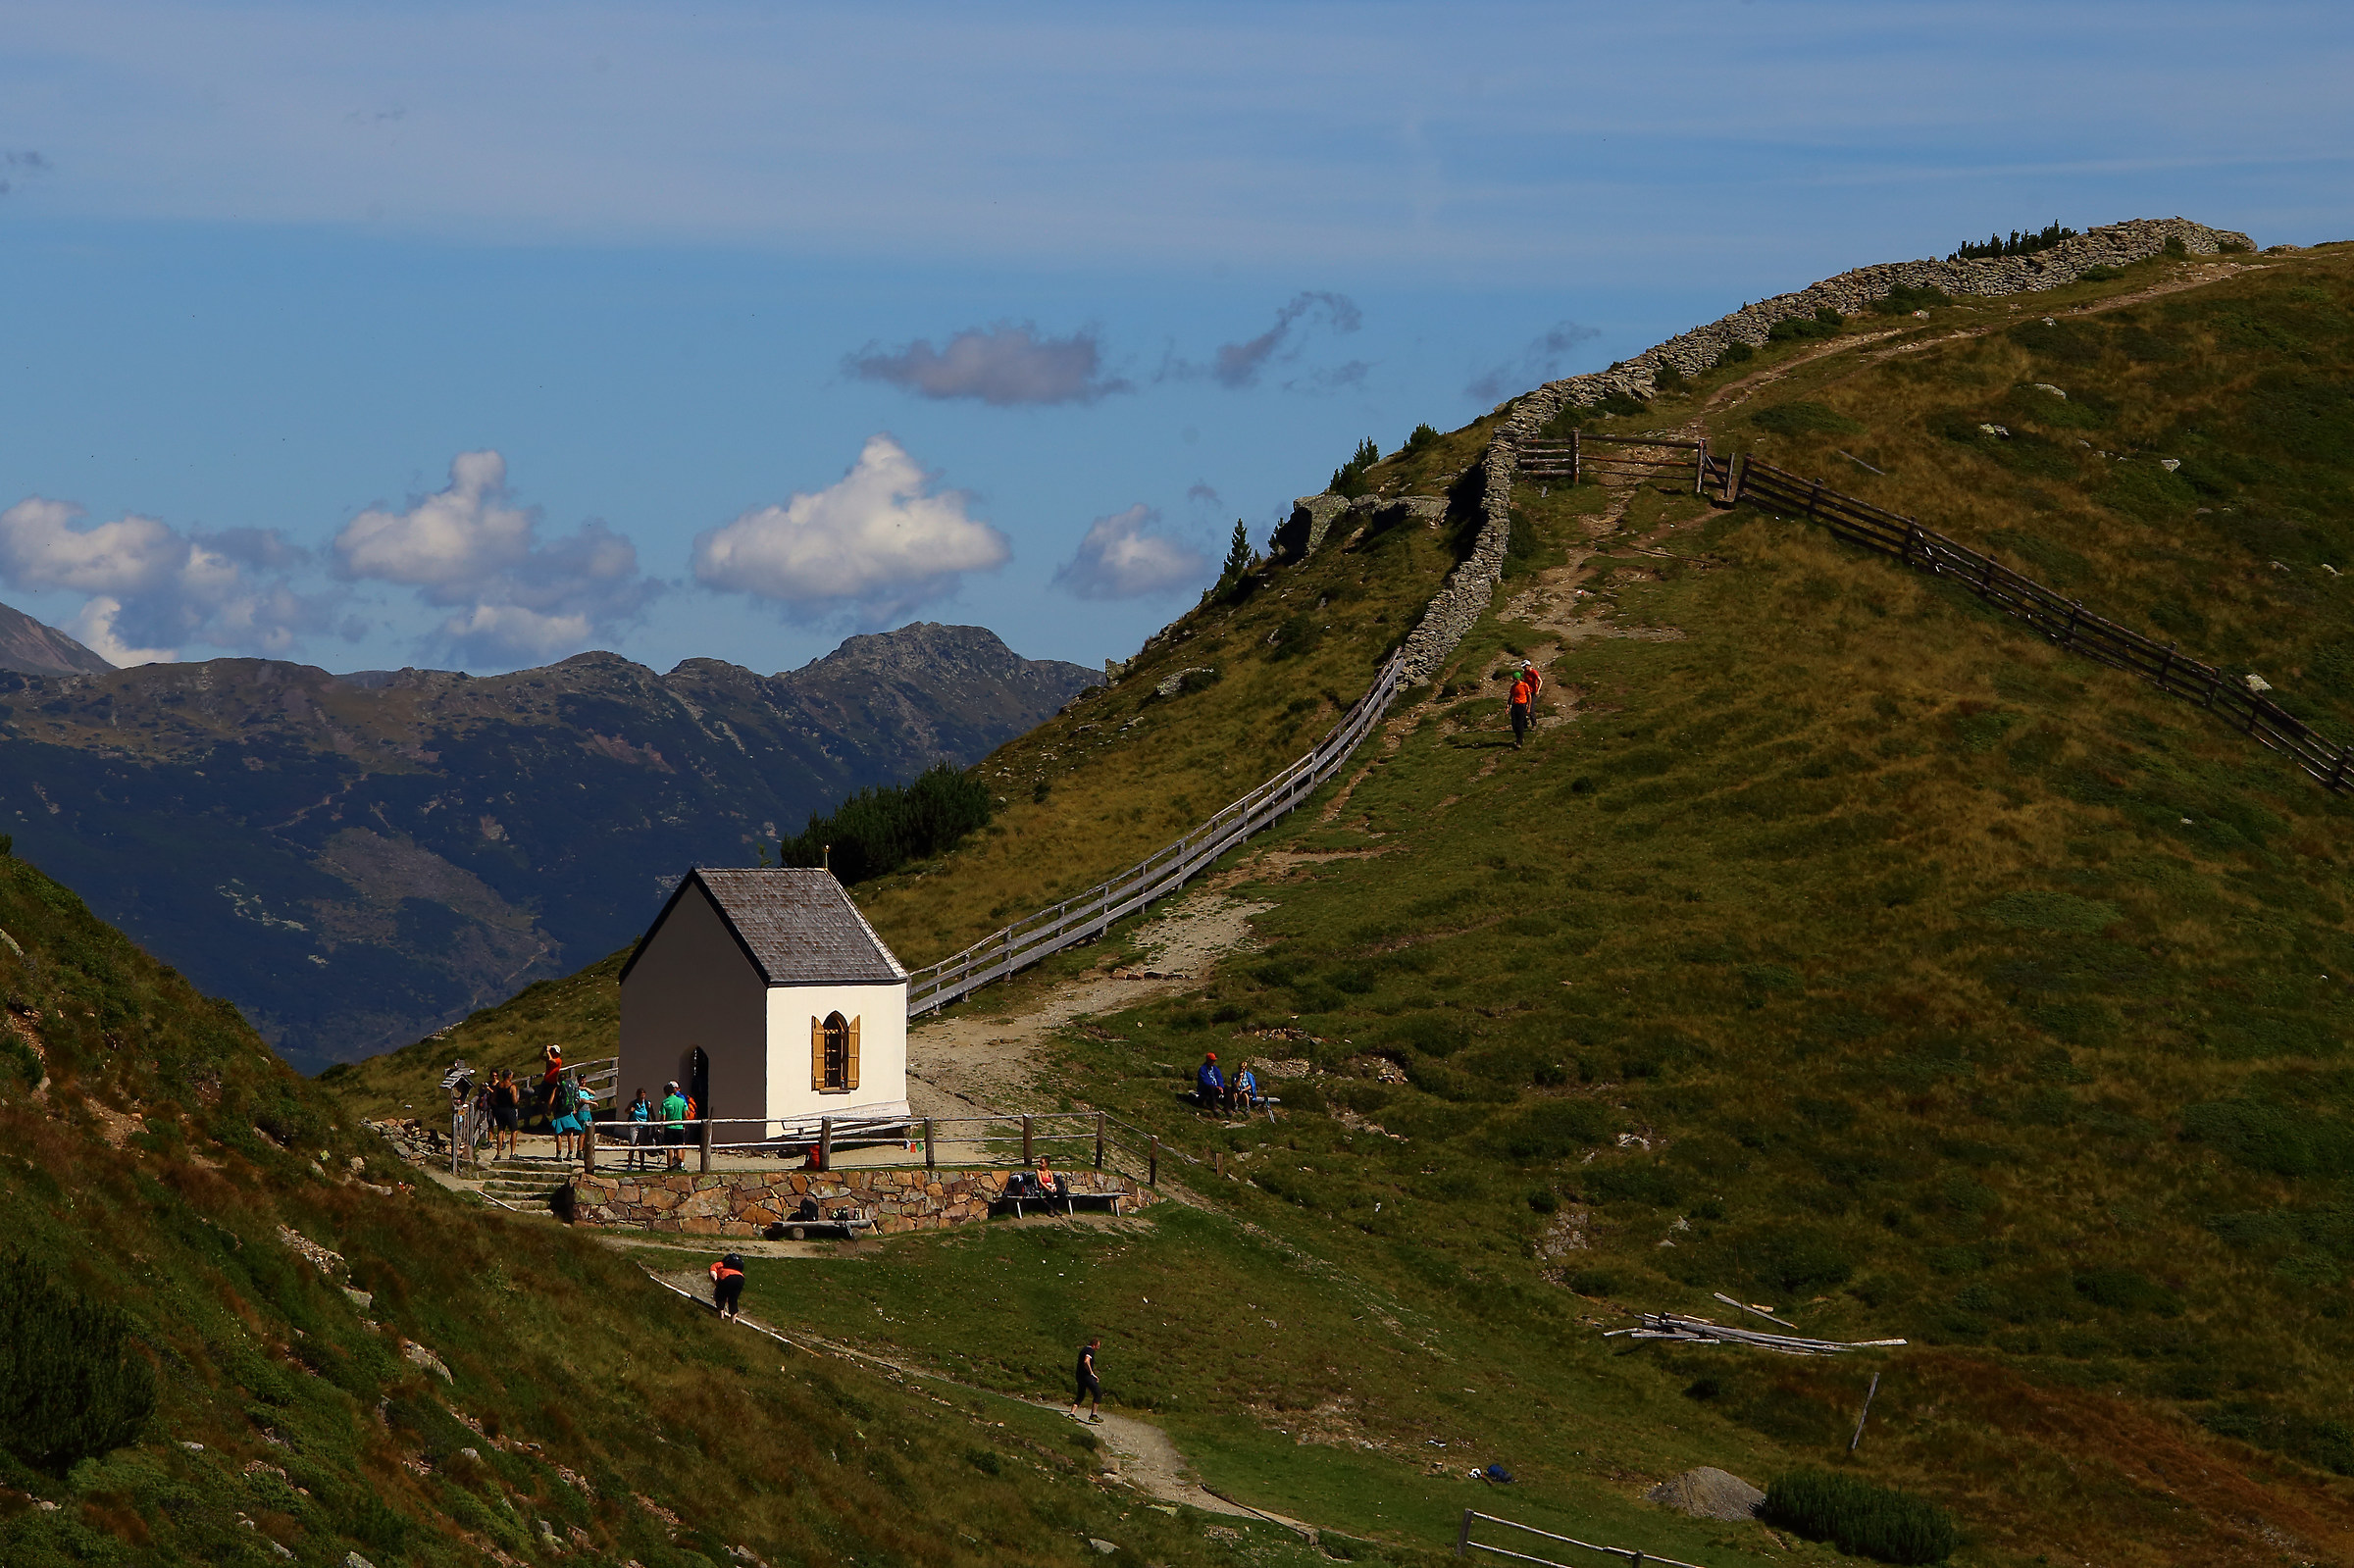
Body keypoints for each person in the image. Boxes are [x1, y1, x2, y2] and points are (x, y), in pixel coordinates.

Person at [489, 1070, 521, 1160]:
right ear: (509, 1076)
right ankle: (512, 1153)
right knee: (514, 1131)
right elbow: (514, 1101)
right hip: (509, 1110)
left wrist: (498, 1105)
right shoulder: (512, 1086)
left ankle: (498, 1153)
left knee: (500, 1131)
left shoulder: (498, 1086)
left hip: (500, 1110)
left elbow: (492, 1099)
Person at [1071, 1337, 1102, 1423]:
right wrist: (1091, 1373)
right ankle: (1093, 1415)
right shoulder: (1090, 1350)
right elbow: (1086, 1361)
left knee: (1080, 1395)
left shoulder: (1083, 1350)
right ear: (1094, 1345)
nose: (1098, 1348)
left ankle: (1071, 1414)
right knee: (1098, 1393)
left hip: (1079, 1375)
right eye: (1098, 1346)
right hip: (1086, 1376)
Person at [661, 1080, 690, 1170]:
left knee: (670, 1147)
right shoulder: (681, 1101)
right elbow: (686, 1115)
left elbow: (663, 1118)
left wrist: (659, 1127)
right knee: (679, 1146)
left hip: (669, 1127)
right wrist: (684, 1124)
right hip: (679, 1126)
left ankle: (670, 1167)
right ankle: (680, 1165)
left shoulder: (665, 1102)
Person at [709, 1252, 744, 1323]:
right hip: (740, 1279)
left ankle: (721, 1316)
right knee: (733, 1299)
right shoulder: (736, 1266)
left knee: (720, 1296)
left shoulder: (718, 1265)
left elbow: (713, 1274)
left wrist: (717, 1283)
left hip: (726, 1277)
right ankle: (733, 1321)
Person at [626, 1087, 653, 1171]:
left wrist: (654, 1125)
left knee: (642, 1146)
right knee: (632, 1145)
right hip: (634, 1125)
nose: (642, 1098)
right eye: (641, 1096)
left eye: (644, 1096)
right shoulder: (633, 1103)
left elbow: (652, 1114)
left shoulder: (648, 1104)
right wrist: (630, 1110)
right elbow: (626, 1111)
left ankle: (642, 1165)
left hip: (644, 1126)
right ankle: (629, 1165)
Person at [1509, 666, 1535, 749]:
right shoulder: (1513, 687)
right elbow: (1511, 696)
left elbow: (1529, 696)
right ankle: (1519, 737)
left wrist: (1529, 707)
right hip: (1514, 705)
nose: (1514, 681)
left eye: (1516, 679)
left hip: (1522, 706)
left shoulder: (1524, 685)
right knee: (1514, 724)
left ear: (1519, 679)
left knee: (1520, 724)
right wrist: (1508, 706)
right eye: (1514, 679)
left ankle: (1519, 741)